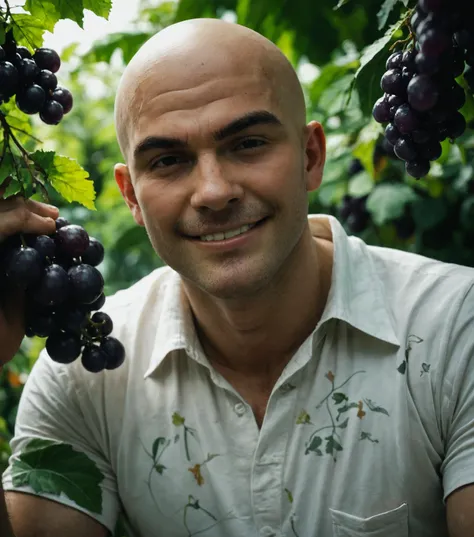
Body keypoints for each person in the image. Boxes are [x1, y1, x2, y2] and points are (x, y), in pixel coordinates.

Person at [1, 16, 474, 537]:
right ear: (131, 195)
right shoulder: (84, 379)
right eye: (168, 160)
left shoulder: (455, 329)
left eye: (247, 144)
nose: (213, 191)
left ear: (311, 157)